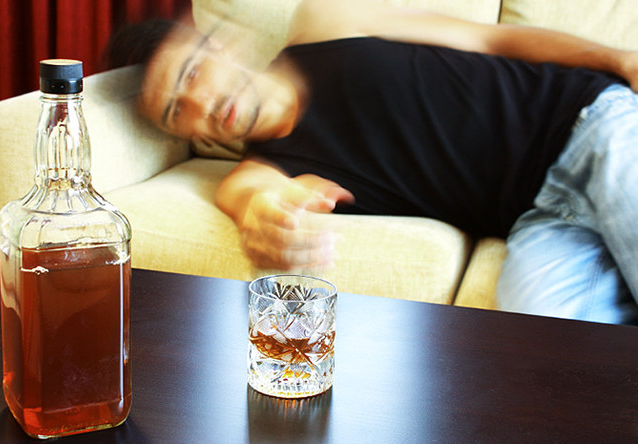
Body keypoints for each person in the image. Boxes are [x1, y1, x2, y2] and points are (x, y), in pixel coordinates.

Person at [137, 0, 638, 324]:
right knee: (558, 357)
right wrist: (274, 220)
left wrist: (621, 60)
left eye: (192, 72)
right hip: (541, 220)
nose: (200, 103)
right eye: (175, 111)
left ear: (222, 47)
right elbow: (255, 205)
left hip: (591, 122)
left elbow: (493, 40)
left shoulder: (327, 22)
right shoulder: (255, 176)